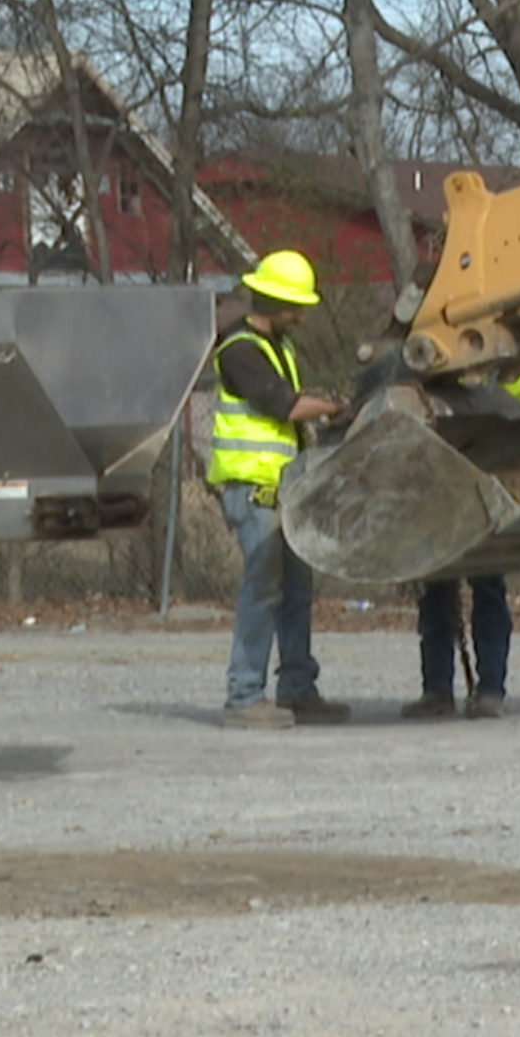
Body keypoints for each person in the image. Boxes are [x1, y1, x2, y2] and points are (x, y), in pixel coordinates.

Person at [209, 250, 349, 729]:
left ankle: (296, 688)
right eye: (296, 305)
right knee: (263, 590)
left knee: (294, 591)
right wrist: (330, 409)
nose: (302, 315)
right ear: (274, 300)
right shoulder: (239, 350)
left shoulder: (279, 349)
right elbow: (279, 405)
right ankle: (244, 695)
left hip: (279, 492)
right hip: (252, 492)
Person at [404, 369, 520, 721]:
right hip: (443, 483)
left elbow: (517, 416)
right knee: (439, 591)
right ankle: (447, 690)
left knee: (478, 587)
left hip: (481, 485)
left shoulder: (500, 365)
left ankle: (479, 690)